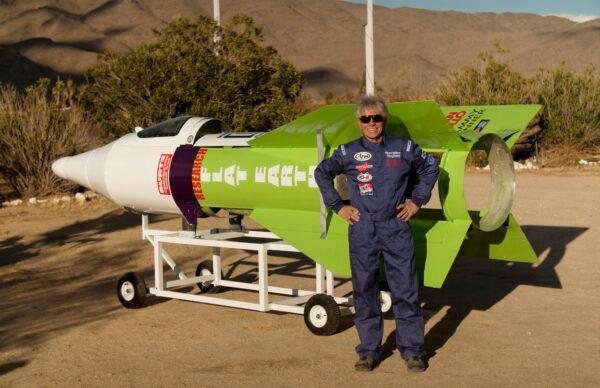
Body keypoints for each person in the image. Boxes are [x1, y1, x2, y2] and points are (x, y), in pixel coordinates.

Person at [314, 95, 439, 372]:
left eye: (377, 118)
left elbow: (431, 167)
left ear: (385, 119)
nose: (372, 123)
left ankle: (413, 351)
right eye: (366, 119)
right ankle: (369, 351)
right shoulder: (347, 152)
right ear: (359, 123)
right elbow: (322, 172)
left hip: (395, 226)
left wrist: (417, 201)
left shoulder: (403, 148)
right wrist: (338, 206)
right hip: (363, 229)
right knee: (365, 290)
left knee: (405, 289)